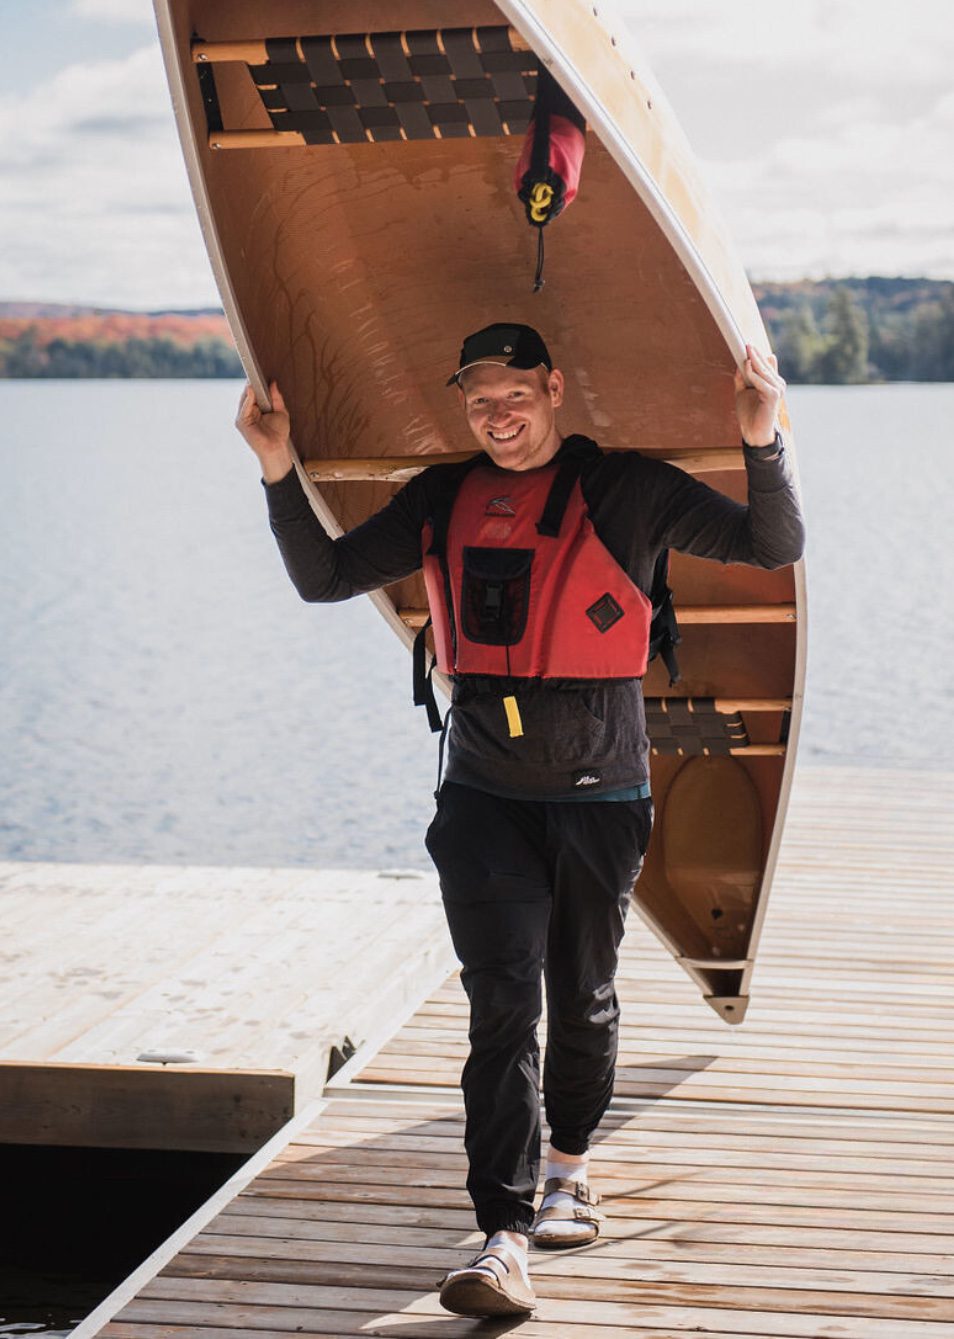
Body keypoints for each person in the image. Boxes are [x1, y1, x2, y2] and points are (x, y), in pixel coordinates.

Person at [235, 323, 804, 1318]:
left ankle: (569, 1169)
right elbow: (323, 577)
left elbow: (772, 544)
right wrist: (278, 466)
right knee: (502, 1006)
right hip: (484, 799)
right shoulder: (443, 496)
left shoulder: (628, 489)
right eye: (478, 399)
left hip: (601, 798)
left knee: (580, 994)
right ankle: (503, 1235)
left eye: (514, 394)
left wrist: (763, 437)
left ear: (554, 387)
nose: (498, 416)